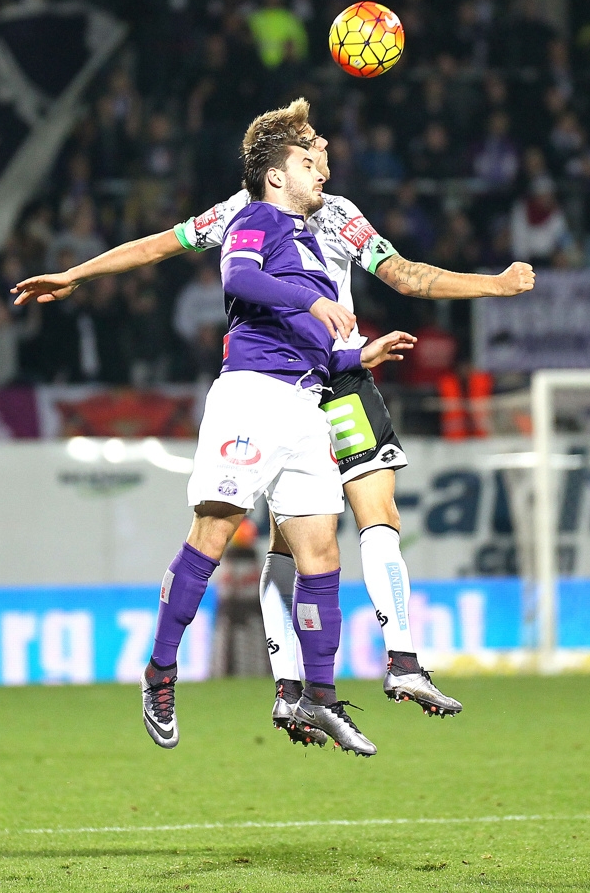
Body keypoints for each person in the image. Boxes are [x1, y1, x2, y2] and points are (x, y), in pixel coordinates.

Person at [12, 99, 535, 731]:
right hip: (261, 383)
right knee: (241, 533)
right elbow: (161, 246)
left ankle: (368, 673)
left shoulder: (339, 214)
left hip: (333, 378)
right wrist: (77, 272)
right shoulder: (243, 213)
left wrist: (491, 286)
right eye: (310, 147)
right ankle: (210, 677)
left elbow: (407, 275)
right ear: (279, 165)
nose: (325, 158)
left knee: (344, 533)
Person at [144, 138, 416, 756]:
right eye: (306, 164)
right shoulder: (255, 219)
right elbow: (241, 277)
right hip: (253, 396)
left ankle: (317, 699)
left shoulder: (316, 247)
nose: (320, 172)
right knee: (212, 535)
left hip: (308, 405)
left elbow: (311, 335)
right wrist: (314, 299)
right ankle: (161, 672)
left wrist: (356, 355)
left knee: (320, 555)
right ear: (274, 176)